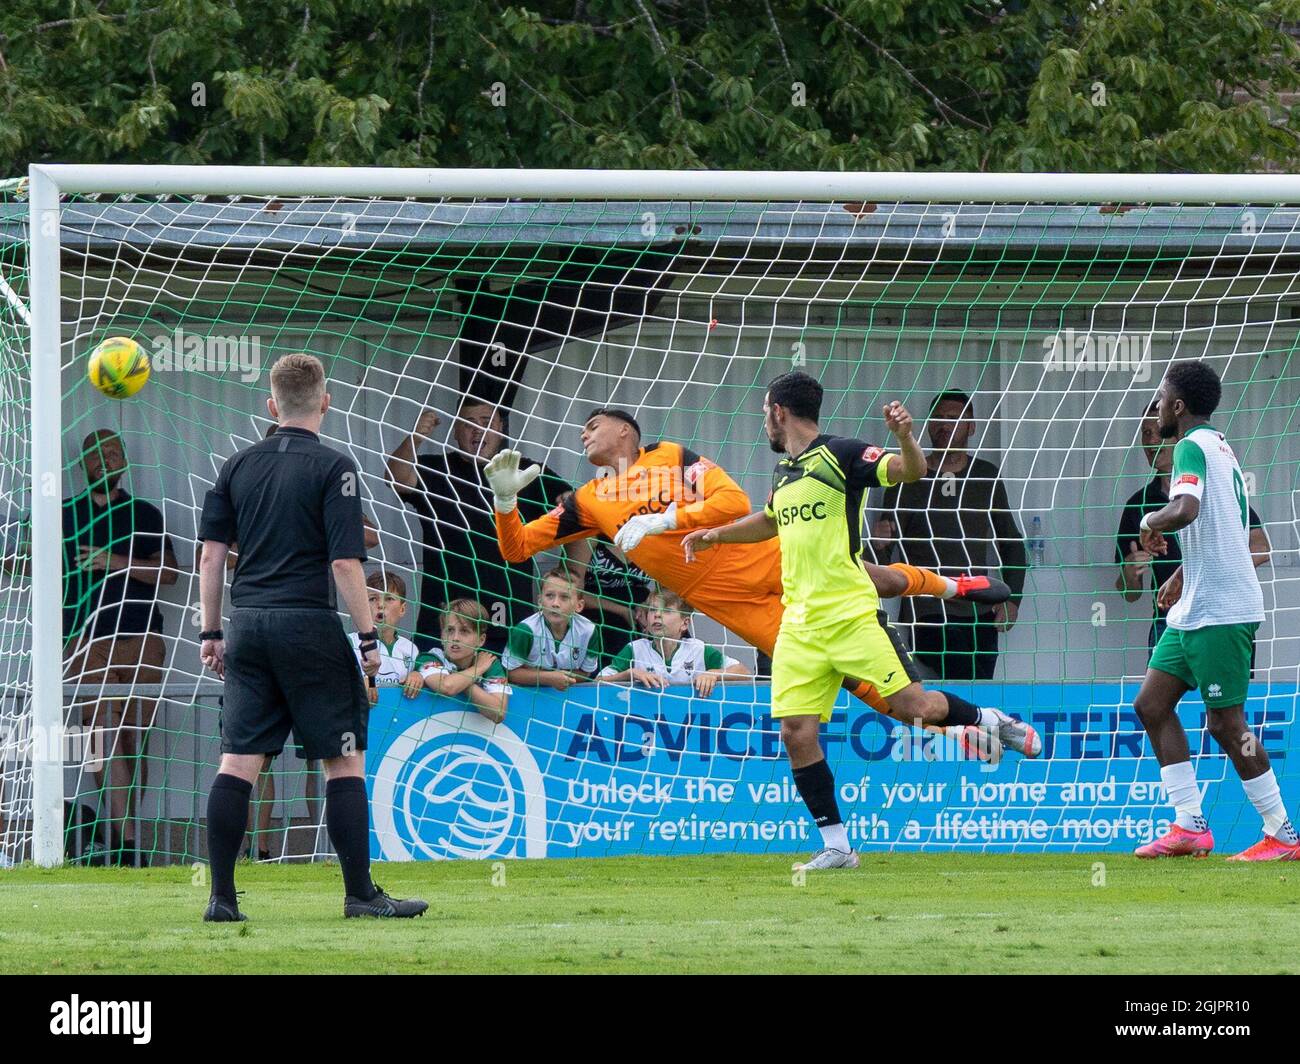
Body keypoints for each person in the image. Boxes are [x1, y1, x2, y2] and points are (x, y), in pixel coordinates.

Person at [487, 407, 1011, 751]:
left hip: (758, 553)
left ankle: (952, 586)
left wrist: (667, 520)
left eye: (593, 424)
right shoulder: (587, 501)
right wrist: (506, 501)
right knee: (855, 678)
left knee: (868, 575)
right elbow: (516, 548)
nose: (584, 434)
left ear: (625, 431)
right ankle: (956, 727)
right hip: (727, 600)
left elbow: (733, 502)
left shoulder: (673, 457)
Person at [680, 372, 1040, 870]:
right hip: (799, 624)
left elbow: (910, 470)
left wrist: (905, 437)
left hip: (850, 614)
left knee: (915, 707)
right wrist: (717, 535)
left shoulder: (843, 454)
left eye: (765, 412)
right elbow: (770, 519)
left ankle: (992, 721)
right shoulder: (785, 471)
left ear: (779, 412)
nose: (764, 421)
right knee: (796, 732)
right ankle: (838, 847)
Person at [197, 352, 426, 921]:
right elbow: (346, 563)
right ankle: (360, 896)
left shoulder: (235, 465)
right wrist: (368, 638)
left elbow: (211, 556)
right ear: (325, 402)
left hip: (249, 625)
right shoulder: (335, 466)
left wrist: (211, 631)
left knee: (238, 762)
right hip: (309, 625)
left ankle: (221, 898)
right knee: (343, 761)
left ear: (271, 406)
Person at [1129, 361, 1297, 861]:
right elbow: (1225, 529)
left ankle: (1282, 833)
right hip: (1196, 606)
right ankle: (1190, 826)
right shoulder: (1219, 446)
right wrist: (1184, 574)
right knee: (1151, 705)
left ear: (1178, 406)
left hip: (1222, 609)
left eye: (1161, 400)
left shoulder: (1189, 446)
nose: (1157, 409)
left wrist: (1148, 522)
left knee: (1226, 724)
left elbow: (1186, 510)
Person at [52, 430, 178, 866]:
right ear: (82, 464)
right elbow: (30, 561)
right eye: (95, 454)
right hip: (86, 640)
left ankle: (120, 834)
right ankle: (127, 846)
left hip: (142, 640)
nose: (104, 460)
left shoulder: (144, 513)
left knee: (132, 741)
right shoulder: (63, 514)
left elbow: (169, 574)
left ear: (124, 460)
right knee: (100, 736)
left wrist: (114, 561)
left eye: (111, 452)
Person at [386, 398, 589, 653]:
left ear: (500, 428)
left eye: (486, 423)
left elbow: (577, 517)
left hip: (510, 616)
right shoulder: (436, 469)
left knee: (512, 678)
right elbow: (395, 479)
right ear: (455, 431)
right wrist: (416, 437)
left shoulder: (526, 471)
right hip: (446, 619)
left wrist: (571, 575)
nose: (478, 431)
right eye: (469, 423)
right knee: (434, 676)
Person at [871, 391, 1026, 680]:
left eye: (954, 419)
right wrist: (878, 543)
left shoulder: (985, 475)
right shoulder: (906, 477)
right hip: (928, 610)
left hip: (979, 609)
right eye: (938, 419)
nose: (945, 425)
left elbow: (1012, 542)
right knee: (961, 680)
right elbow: (883, 549)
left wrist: (1012, 598)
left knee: (980, 687)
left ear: (971, 427)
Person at [1116, 398, 1269, 654]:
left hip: (1219, 618)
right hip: (1168, 622)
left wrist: (1190, 576)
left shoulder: (1215, 487)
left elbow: (1261, 548)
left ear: (1174, 433)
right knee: (1155, 683)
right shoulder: (1137, 505)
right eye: (1145, 433)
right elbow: (1129, 593)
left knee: (1221, 682)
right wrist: (1130, 574)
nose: (1151, 440)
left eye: (1157, 430)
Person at [599, 588, 748, 696]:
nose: (657, 615)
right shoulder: (634, 649)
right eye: (652, 610)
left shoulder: (698, 649)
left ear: (685, 623)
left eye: (666, 611)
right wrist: (629, 673)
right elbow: (597, 681)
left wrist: (713, 674)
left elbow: (744, 672)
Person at [502, 566, 601, 690]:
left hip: (568, 692)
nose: (555, 604)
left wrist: (560, 678)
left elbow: (586, 672)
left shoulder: (589, 631)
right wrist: (549, 678)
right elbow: (510, 672)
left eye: (564, 597)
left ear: (579, 605)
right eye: (549, 596)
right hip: (528, 692)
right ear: (539, 601)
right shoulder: (525, 630)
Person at [418, 599, 511, 723]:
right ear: (442, 636)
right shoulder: (429, 657)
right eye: (450, 630)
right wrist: (477, 669)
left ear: (481, 640)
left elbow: (498, 713)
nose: (455, 638)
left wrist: (460, 681)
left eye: (464, 631)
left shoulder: (489, 663)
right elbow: (446, 687)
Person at [348, 570, 424, 699]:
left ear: (402, 609)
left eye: (389, 599)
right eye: (373, 599)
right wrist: (355, 682)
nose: (381, 605)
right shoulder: (350, 642)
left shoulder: (411, 649)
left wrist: (419, 675)